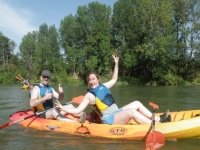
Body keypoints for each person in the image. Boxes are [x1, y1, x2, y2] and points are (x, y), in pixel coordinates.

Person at [55, 55, 171, 125]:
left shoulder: (104, 86)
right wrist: (63, 108)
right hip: (109, 118)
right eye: (89, 80)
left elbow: (114, 79)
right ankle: (156, 124)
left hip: (117, 111)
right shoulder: (89, 95)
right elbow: (78, 110)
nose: (91, 81)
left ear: (98, 80)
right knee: (132, 112)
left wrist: (116, 64)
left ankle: (158, 118)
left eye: (93, 79)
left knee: (137, 103)